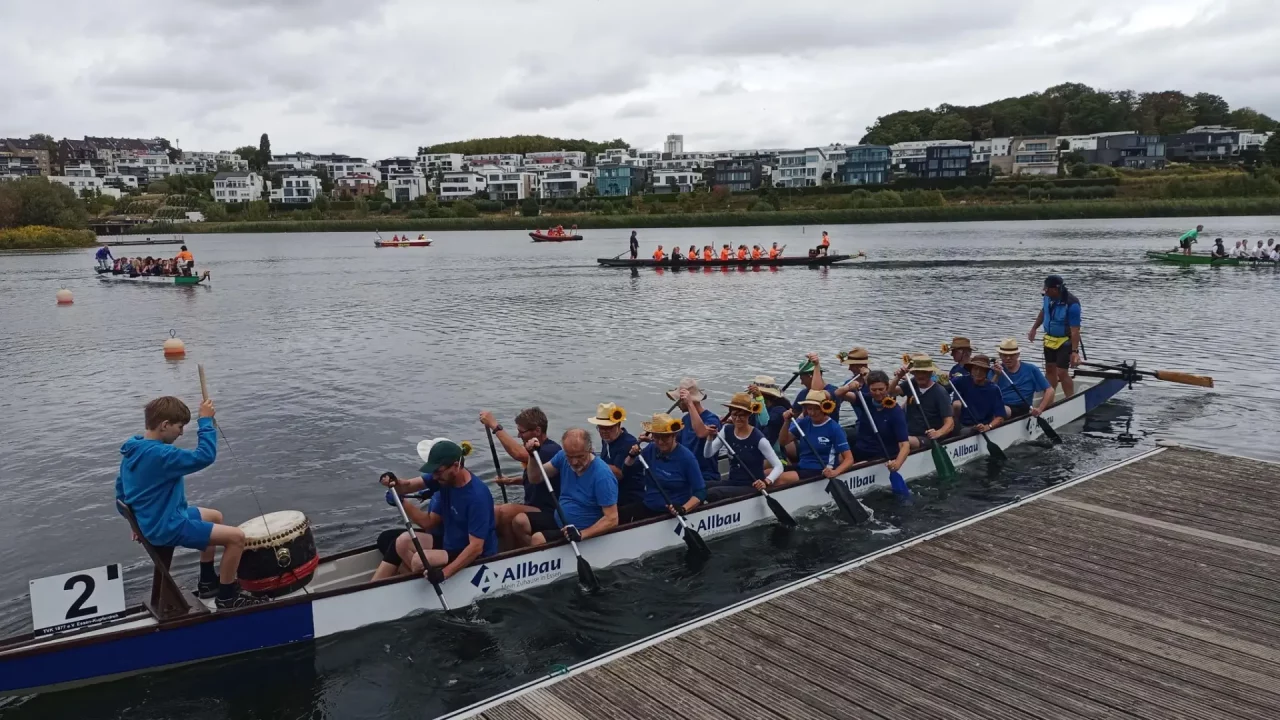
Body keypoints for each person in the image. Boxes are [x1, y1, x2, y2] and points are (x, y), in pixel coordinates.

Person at [115, 395, 267, 609]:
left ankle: (207, 582)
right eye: (179, 427)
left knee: (215, 516)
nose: (181, 432)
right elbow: (204, 456)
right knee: (236, 538)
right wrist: (205, 421)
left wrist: (135, 523)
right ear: (165, 425)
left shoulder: (132, 450)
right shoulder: (161, 455)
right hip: (167, 526)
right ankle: (227, 596)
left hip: (157, 519)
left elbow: (121, 495)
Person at [383, 439, 498, 580]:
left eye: (438, 472)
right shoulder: (443, 478)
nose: (435, 477)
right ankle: (421, 581)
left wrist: (444, 574)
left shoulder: (477, 497)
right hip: (448, 542)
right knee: (402, 542)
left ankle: (426, 581)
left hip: (474, 554)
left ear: (456, 466)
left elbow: (476, 548)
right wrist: (395, 483)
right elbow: (408, 485)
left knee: (419, 560)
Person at [516, 429, 618, 546]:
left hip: (581, 529)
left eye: (579, 456)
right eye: (570, 456)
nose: (574, 462)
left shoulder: (602, 475)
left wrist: (581, 534)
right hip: (560, 519)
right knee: (520, 521)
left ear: (590, 450)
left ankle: (541, 556)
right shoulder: (562, 457)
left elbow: (612, 519)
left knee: (538, 539)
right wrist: (532, 456)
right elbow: (535, 478)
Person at [480, 407, 562, 551]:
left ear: (537, 431)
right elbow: (536, 476)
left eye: (522, 432)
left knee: (504, 512)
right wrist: (512, 481)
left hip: (549, 511)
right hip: (533, 505)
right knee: (493, 510)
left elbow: (519, 454)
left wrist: (495, 426)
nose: (519, 435)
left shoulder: (550, 450)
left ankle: (511, 554)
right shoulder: (542, 450)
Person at [620, 414, 705, 523]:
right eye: (656, 437)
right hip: (649, 506)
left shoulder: (687, 458)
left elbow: (700, 492)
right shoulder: (651, 449)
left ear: (674, 435)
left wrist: (683, 509)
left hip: (671, 513)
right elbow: (627, 471)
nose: (660, 442)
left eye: (665, 437)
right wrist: (631, 455)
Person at [703, 392, 784, 501]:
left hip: (752, 485)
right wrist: (709, 438)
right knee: (700, 485)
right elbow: (708, 454)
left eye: (741, 415)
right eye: (734, 414)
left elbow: (779, 466)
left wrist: (766, 482)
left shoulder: (759, 438)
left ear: (748, 415)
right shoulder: (726, 431)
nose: (737, 418)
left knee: (713, 493)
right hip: (733, 481)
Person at [776, 390, 853, 486]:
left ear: (825, 408)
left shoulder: (834, 428)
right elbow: (783, 442)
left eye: (816, 409)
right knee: (768, 473)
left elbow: (849, 459)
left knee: (779, 479)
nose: (812, 413)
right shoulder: (805, 422)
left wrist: (835, 472)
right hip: (803, 466)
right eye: (809, 409)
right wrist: (786, 422)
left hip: (821, 469)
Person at [1029, 274, 1082, 397]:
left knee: (1061, 372)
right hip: (1050, 340)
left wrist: (1074, 352)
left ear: (1055, 289)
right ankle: (1049, 397)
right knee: (1050, 369)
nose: (1045, 291)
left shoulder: (1072, 304)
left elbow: (1075, 331)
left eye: (1047, 289)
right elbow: (1043, 312)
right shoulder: (1047, 298)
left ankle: (1070, 398)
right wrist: (1034, 328)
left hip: (1065, 341)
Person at [891, 354, 955, 450]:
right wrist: (897, 377)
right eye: (917, 372)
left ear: (930, 373)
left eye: (924, 372)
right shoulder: (911, 384)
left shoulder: (940, 392)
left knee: (903, 441)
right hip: (908, 432)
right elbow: (890, 392)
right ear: (914, 373)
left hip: (927, 437)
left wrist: (938, 433)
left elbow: (950, 423)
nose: (920, 376)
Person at [667, 378, 722, 487]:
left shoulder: (712, 419)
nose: (677, 404)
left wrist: (690, 404)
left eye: (679, 400)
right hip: (687, 473)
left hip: (705, 475)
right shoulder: (685, 420)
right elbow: (675, 445)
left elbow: (701, 433)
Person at [588, 402, 645, 507]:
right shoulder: (607, 440)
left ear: (618, 425)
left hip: (628, 498)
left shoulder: (628, 443)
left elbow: (618, 474)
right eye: (601, 428)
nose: (604, 432)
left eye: (608, 428)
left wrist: (591, 458)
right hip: (610, 491)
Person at [851, 371, 910, 471]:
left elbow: (905, 444)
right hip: (861, 449)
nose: (877, 393)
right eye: (873, 390)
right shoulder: (865, 399)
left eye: (881, 389)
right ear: (868, 388)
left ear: (887, 388)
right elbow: (839, 394)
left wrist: (897, 464)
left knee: (856, 465)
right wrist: (848, 388)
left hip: (881, 453)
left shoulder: (895, 411)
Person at [994, 338, 1054, 417]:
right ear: (1000, 355)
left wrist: (1040, 409)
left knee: (1000, 410)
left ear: (1018, 355)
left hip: (1022, 407)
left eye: (1011, 355)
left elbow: (1050, 390)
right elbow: (987, 391)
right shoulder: (995, 370)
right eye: (1005, 355)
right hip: (1001, 405)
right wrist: (996, 376)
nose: (1008, 358)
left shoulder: (1031, 369)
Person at [950, 354, 1006, 432]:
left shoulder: (994, 389)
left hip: (982, 427)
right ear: (971, 370)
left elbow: (1000, 417)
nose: (978, 372)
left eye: (982, 369)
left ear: (986, 372)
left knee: (965, 432)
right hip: (963, 425)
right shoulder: (962, 380)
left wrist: (988, 426)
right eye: (976, 369)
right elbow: (945, 388)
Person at [748, 376, 790, 448]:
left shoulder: (780, 411)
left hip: (772, 449)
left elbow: (764, 422)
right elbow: (750, 423)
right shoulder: (756, 406)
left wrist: (759, 398)